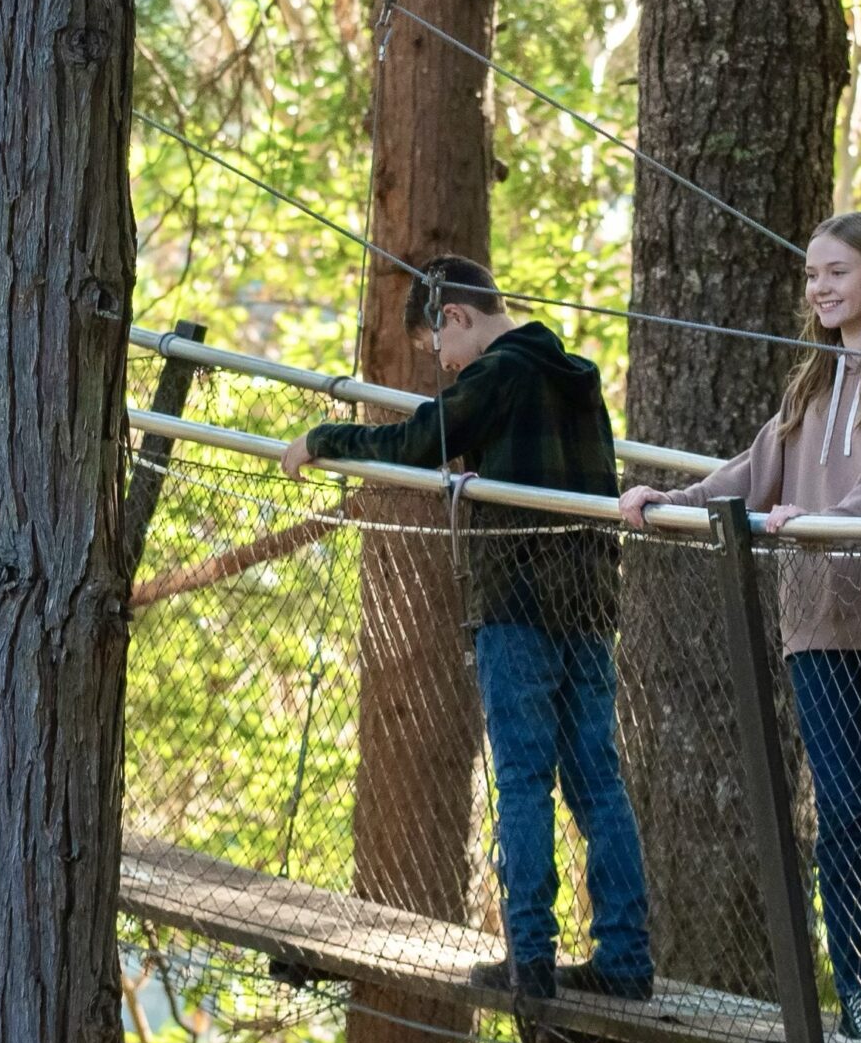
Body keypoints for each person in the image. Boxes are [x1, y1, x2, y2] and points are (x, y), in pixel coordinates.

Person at [620, 211, 861, 1043]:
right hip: (819, 624)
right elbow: (753, 471)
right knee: (844, 814)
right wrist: (667, 501)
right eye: (812, 274)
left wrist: (817, 520)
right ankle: (858, 1009)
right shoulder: (810, 383)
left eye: (836, 272)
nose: (819, 288)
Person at [280, 257, 653, 1005]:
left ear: (454, 317)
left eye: (437, 349)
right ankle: (625, 953)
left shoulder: (500, 374)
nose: (442, 365)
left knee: (521, 778)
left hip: (517, 604)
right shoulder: (579, 378)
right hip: (586, 607)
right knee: (596, 781)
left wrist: (326, 438)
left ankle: (531, 957)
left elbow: (421, 440)